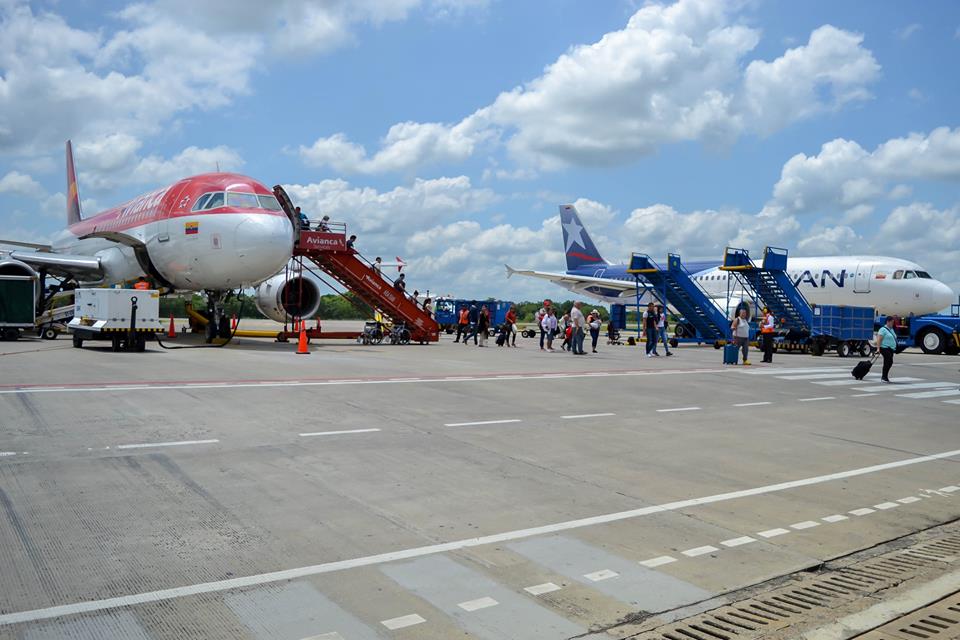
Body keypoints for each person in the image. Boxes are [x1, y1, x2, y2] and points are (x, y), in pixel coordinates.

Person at [876, 315, 897, 383]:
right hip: (884, 348)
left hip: (891, 349)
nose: (892, 324)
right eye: (892, 322)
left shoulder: (891, 329)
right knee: (888, 361)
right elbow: (879, 339)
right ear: (888, 322)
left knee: (889, 362)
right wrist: (878, 349)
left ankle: (885, 377)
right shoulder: (883, 329)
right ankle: (884, 377)